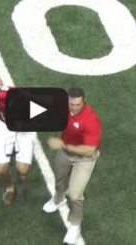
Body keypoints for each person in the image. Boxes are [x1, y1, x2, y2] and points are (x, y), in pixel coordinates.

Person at [43, 87, 102, 244]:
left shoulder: (91, 119)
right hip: (65, 152)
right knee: (59, 179)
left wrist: (63, 146)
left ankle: (75, 227)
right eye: (71, 104)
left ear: (84, 101)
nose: (74, 107)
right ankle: (58, 198)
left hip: (84, 158)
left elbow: (90, 150)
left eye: (78, 104)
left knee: (75, 195)